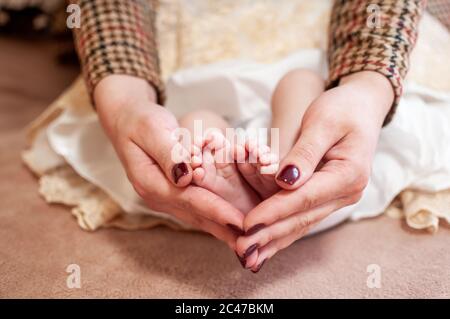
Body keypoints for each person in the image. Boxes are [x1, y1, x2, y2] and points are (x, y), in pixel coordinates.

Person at [71, 0, 428, 273]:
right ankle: (236, 175)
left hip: (332, 70)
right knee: (195, 120)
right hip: (182, 60)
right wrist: (126, 105)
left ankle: (282, 162)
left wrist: (366, 89)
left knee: (300, 83)